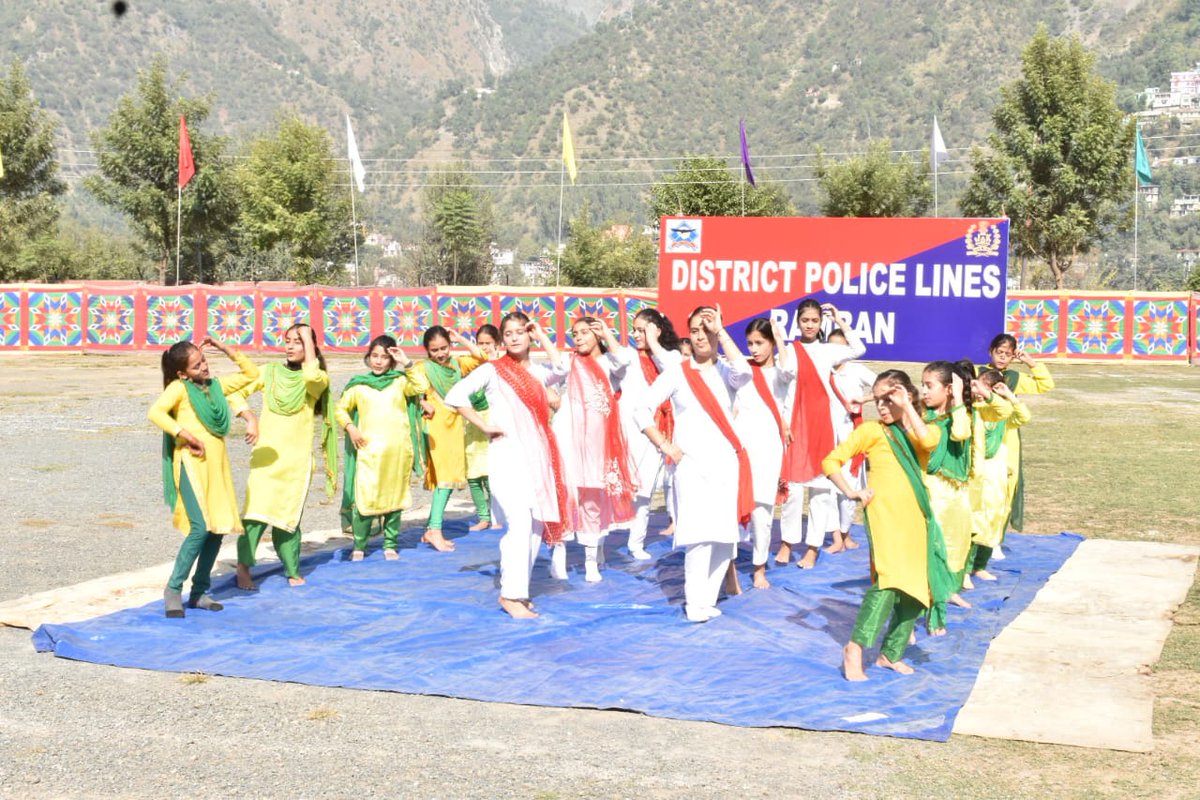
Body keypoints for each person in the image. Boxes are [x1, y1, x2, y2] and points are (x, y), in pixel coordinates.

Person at [823, 370, 954, 680]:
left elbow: (928, 441)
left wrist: (906, 406)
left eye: (887, 399)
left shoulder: (923, 430)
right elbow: (830, 461)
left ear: (905, 395)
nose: (881, 406)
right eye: (877, 399)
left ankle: (889, 654)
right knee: (888, 581)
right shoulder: (872, 431)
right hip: (884, 517)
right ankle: (854, 648)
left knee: (916, 589)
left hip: (915, 518)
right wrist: (852, 491)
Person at [444, 313, 569, 619]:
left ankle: (520, 590)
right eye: (508, 334)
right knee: (520, 524)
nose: (514, 338)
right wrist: (484, 425)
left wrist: (541, 334)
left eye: (520, 332)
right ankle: (510, 595)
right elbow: (455, 396)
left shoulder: (539, 373)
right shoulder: (492, 371)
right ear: (501, 341)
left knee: (537, 524)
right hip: (507, 457)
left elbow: (563, 368)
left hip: (539, 458)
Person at [636, 306, 753, 622]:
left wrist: (722, 332)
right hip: (692, 467)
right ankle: (694, 604)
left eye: (707, 329)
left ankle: (707, 600)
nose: (701, 336)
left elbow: (745, 372)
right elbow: (641, 411)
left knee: (724, 537)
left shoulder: (727, 372)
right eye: (696, 330)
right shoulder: (677, 371)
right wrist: (665, 444)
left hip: (726, 465)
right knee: (700, 537)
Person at [148, 337, 259, 617]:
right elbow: (156, 412)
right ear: (182, 373)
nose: (204, 368)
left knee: (217, 529)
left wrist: (224, 349)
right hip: (191, 465)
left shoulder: (216, 386)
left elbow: (252, 374)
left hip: (217, 466)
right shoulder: (179, 389)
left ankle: (199, 592)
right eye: (197, 366)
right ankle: (173, 589)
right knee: (200, 528)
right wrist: (185, 435)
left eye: (204, 361)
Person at [229, 323, 336, 590]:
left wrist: (308, 340)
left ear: (310, 346)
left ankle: (291, 568)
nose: (289, 346)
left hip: (296, 462)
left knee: (289, 518)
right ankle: (243, 568)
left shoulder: (318, 379)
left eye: (297, 341)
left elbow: (312, 377)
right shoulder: (270, 371)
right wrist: (250, 417)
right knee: (255, 514)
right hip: (266, 457)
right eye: (287, 340)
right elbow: (234, 392)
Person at [776, 299, 867, 570]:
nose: (810, 325)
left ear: (821, 323)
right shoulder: (791, 350)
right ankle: (787, 543)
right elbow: (782, 380)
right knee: (791, 489)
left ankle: (813, 548)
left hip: (822, 426)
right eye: (805, 320)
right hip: (795, 424)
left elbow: (859, 348)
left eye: (815, 320)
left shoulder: (828, 351)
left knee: (821, 490)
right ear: (798, 322)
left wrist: (840, 320)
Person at [549, 317, 639, 583]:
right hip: (568, 437)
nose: (578, 338)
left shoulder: (609, 363)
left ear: (597, 335)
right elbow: (551, 371)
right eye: (574, 333)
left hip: (599, 442)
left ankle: (591, 558)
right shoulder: (570, 361)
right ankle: (559, 552)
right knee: (564, 494)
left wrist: (607, 333)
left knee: (592, 497)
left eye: (585, 333)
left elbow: (624, 359)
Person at [335, 335, 429, 561]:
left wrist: (406, 362)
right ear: (368, 358)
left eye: (385, 357)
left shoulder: (400, 382)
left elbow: (422, 386)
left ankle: (390, 544)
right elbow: (340, 409)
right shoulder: (359, 385)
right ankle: (359, 545)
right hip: (368, 452)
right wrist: (351, 428)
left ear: (391, 360)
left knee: (394, 499)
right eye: (375, 356)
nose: (378, 361)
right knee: (365, 499)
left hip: (397, 452)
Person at [415, 326, 490, 551]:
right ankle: (435, 530)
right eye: (435, 350)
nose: (440, 354)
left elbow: (483, 357)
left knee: (447, 479)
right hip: (436, 425)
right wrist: (422, 402)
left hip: (456, 424)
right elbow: (407, 388)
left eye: (444, 348)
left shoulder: (458, 364)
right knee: (445, 479)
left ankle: (431, 528)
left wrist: (460, 338)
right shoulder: (423, 368)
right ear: (427, 350)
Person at [733, 317, 794, 589]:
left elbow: (790, 370)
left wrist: (781, 340)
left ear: (771, 343)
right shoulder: (742, 371)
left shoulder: (781, 373)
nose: (754, 349)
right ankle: (728, 565)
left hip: (769, 448)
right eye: (750, 343)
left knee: (762, 510)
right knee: (733, 505)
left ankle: (759, 568)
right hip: (741, 448)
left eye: (760, 343)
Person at [619, 308, 684, 560]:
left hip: (659, 431)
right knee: (621, 487)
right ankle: (597, 546)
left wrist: (653, 341)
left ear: (656, 330)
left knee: (647, 489)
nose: (636, 334)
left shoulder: (672, 356)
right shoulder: (629, 357)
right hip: (628, 430)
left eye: (642, 329)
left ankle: (636, 542)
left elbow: (672, 367)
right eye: (634, 330)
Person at [919, 360, 974, 633]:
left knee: (954, 551)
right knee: (932, 553)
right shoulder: (924, 417)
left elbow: (961, 432)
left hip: (955, 497)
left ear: (949, 389)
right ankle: (933, 612)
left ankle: (945, 594)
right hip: (932, 495)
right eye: (923, 385)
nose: (924, 392)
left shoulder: (958, 417)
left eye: (930, 386)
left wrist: (958, 401)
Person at [983, 334, 1055, 538]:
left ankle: (997, 537)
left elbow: (1045, 385)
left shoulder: (1014, 378)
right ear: (991, 351)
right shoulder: (977, 373)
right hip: (982, 432)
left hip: (1008, 435)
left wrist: (1031, 363)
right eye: (999, 352)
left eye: (1008, 354)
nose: (1003, 357)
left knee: (1006, 485)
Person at [967, 371, 1030, 581]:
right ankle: (964, 569)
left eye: (986, 387)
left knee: (993, 518)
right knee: (972, 520)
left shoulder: (1000, 415)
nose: (979, 391)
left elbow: (1023, 417)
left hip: (995, 474)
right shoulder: (973, 411)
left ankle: (980, 566)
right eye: (977, 386)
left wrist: (1010, 396)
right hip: (974, 472)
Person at [826, 329, 877, 554]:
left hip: (852, 437)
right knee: (827, 489)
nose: (836, 351)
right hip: (826, 435)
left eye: (841, 346)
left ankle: (846, 534)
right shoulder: (822, 369)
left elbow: (884, 387)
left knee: (850, 489)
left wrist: (863, 399)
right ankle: (836, 538)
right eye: (831, 346)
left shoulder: (856, 370)